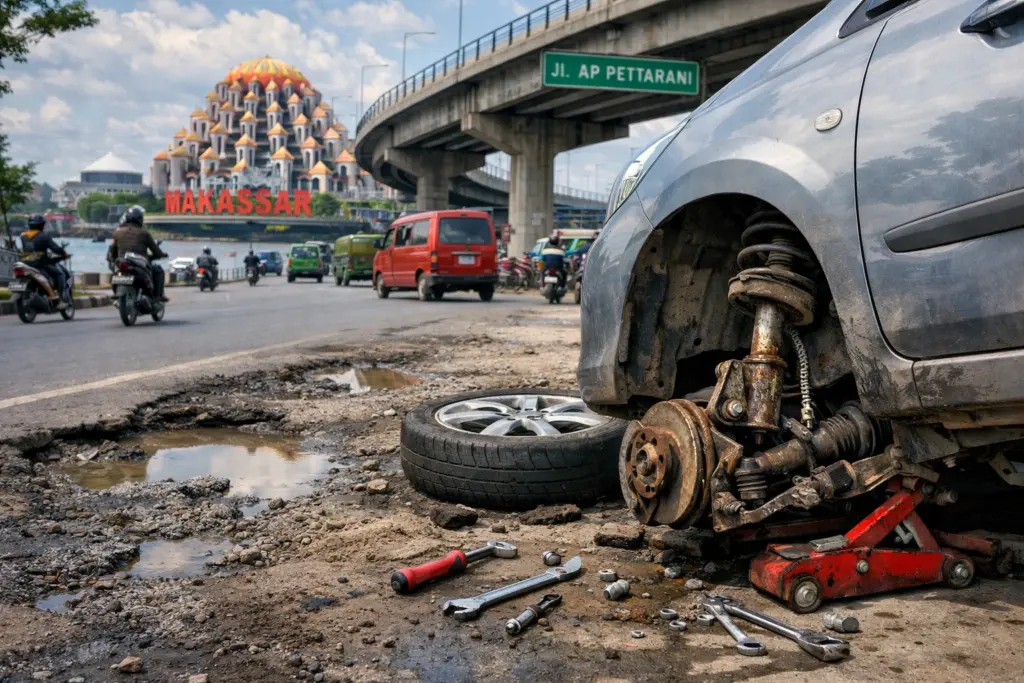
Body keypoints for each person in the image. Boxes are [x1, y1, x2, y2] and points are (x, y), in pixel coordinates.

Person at [108, 205, 169, 302]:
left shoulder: (117, 233)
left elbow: (113, 251)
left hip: (122, 261)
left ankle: (116, 293)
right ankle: (158, 296)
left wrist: (113, 260)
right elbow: (155, 250)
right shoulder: (144, 233)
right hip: (140, 263)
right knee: (158, 271)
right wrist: (161, 255)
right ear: (140, 220)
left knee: (115, 272)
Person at [18, 214, 69, 308]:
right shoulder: (44, 236)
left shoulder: (23, 236)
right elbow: (55, 249)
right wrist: (63, 253)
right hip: (40, 264)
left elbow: (30, 247)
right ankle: (59, 298)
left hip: (26, 262)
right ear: (41, 225)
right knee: (60, 274)